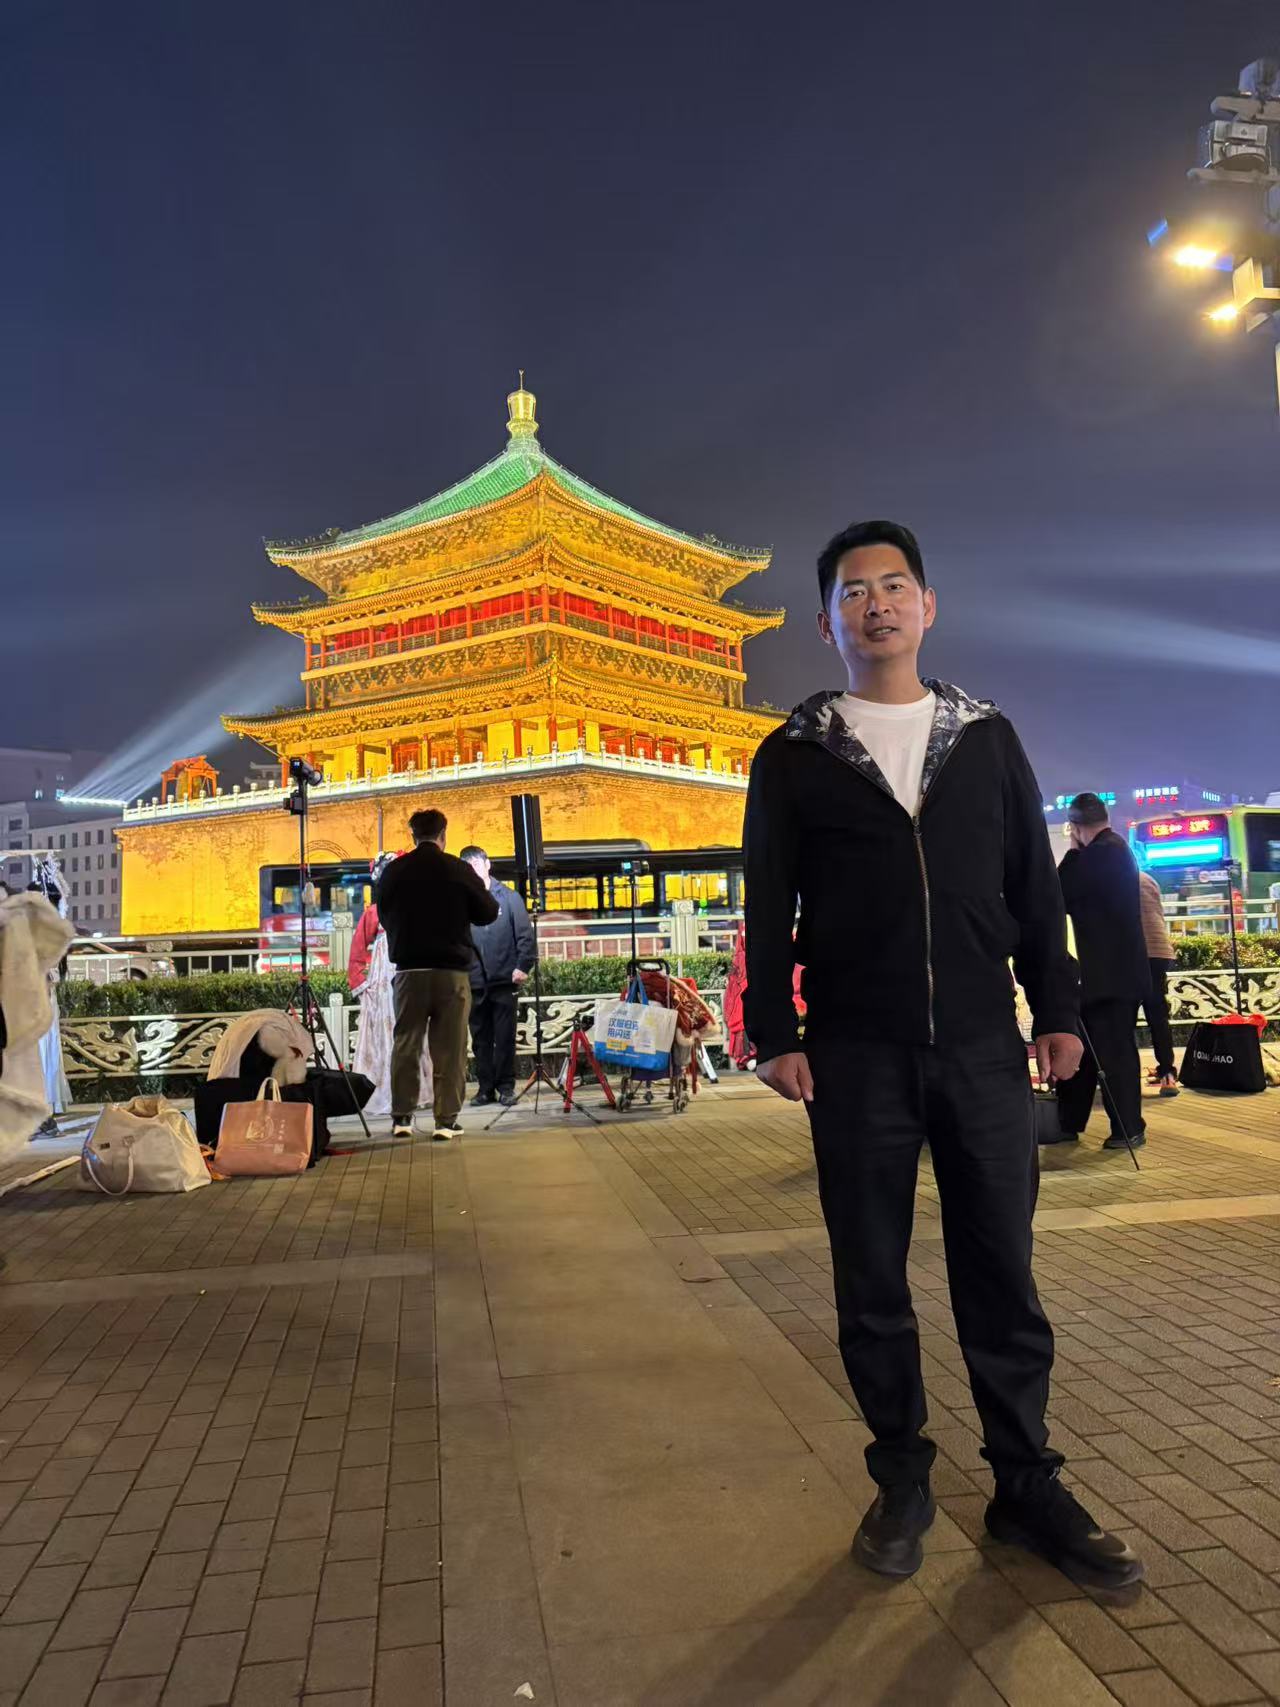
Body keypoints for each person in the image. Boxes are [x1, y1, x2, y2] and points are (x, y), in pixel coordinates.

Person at [744, 518, 1141, 1590]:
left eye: (893, 585)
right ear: (825, 623)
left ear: (926, 607)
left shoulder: (986, 739)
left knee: (1000, 1272)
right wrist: (775, 1032)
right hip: (854, 1053)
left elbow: (1032, 888)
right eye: (852, 591)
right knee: (870, 1277)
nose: (875, 603)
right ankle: (900, 1477)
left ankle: (1025, 1484)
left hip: (978, 1047)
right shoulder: (794, 754)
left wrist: (1056, 1011)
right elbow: (766, 899)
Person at [375, 809, 499, 1141]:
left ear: (413, 836)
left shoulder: (394, 872)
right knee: (451, 1049)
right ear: (443, 835)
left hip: (409, 972)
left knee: (406, 1045)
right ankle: (445, 1121)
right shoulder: (457, 869)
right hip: (451, 973)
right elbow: (488, 911)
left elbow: (383, 915)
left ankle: (402, 1118)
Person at [1056, 794, 1151, 1150]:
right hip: (1112, 976)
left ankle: (1128, 1127)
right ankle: (1069, 1121)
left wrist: (1072, 851)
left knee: (1113, 1053)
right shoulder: (1115, 849)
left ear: (1076, 827)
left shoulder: (1100, 854)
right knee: (1089, 1048)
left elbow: (1059, 891)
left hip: (1110, 978)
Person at [348, 853, 433, 1119]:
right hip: (385, 977)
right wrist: (361, 982)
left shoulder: (415, 908)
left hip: (410, 968)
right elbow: (357, 948)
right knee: (389, 1028)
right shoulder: (374, 912)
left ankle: (415, 1089)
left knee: (412, 1025)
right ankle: (388, 1090)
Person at [459, 846, 536, 1107]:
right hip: (474, 980)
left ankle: (506, 1087)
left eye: (476, 864)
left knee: (504, 1037)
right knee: (480, 1040)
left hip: (505, 979)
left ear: (487, 864)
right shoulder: (463, 901)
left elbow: (525, 936)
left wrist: (522, 966)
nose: (473, 870)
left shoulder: (509, 897)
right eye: (468, 867)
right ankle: (485, 1089)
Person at [1139, 870, 1179, 1096]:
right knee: (1157, 1016)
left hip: (1135, 952)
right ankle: (1167, 1075)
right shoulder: (1148, 879)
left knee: (1122, 1019)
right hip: (1160, 951)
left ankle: (1122, 1076)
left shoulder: (1113, 877)